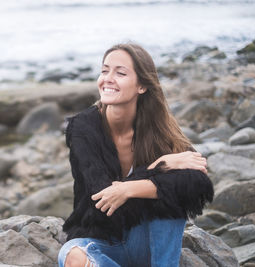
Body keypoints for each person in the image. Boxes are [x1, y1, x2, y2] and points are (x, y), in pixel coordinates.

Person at [57, 43, 214, 267]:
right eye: (104, 70)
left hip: (146, 242)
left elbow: (198, 183)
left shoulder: (159, 129)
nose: (108, 78)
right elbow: (101, 197)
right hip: (99, 240)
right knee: (72, 256)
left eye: (120, 73)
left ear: (141, 85)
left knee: (175, 193)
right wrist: (158, 168)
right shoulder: (83, 127)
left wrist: (127, 189)